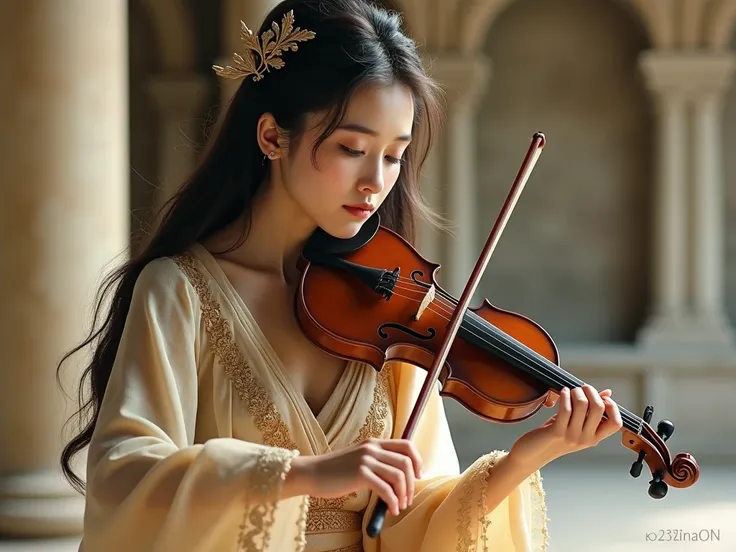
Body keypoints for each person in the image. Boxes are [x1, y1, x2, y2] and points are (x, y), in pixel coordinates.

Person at [57, 0, 624, 550]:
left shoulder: (393, 313)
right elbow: (125, 477)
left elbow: (412, 520)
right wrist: (301, 475)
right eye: (353, 147)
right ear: (272, 137)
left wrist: (529, 455)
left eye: (394, 154)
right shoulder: (177, 291)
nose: (376, 181)